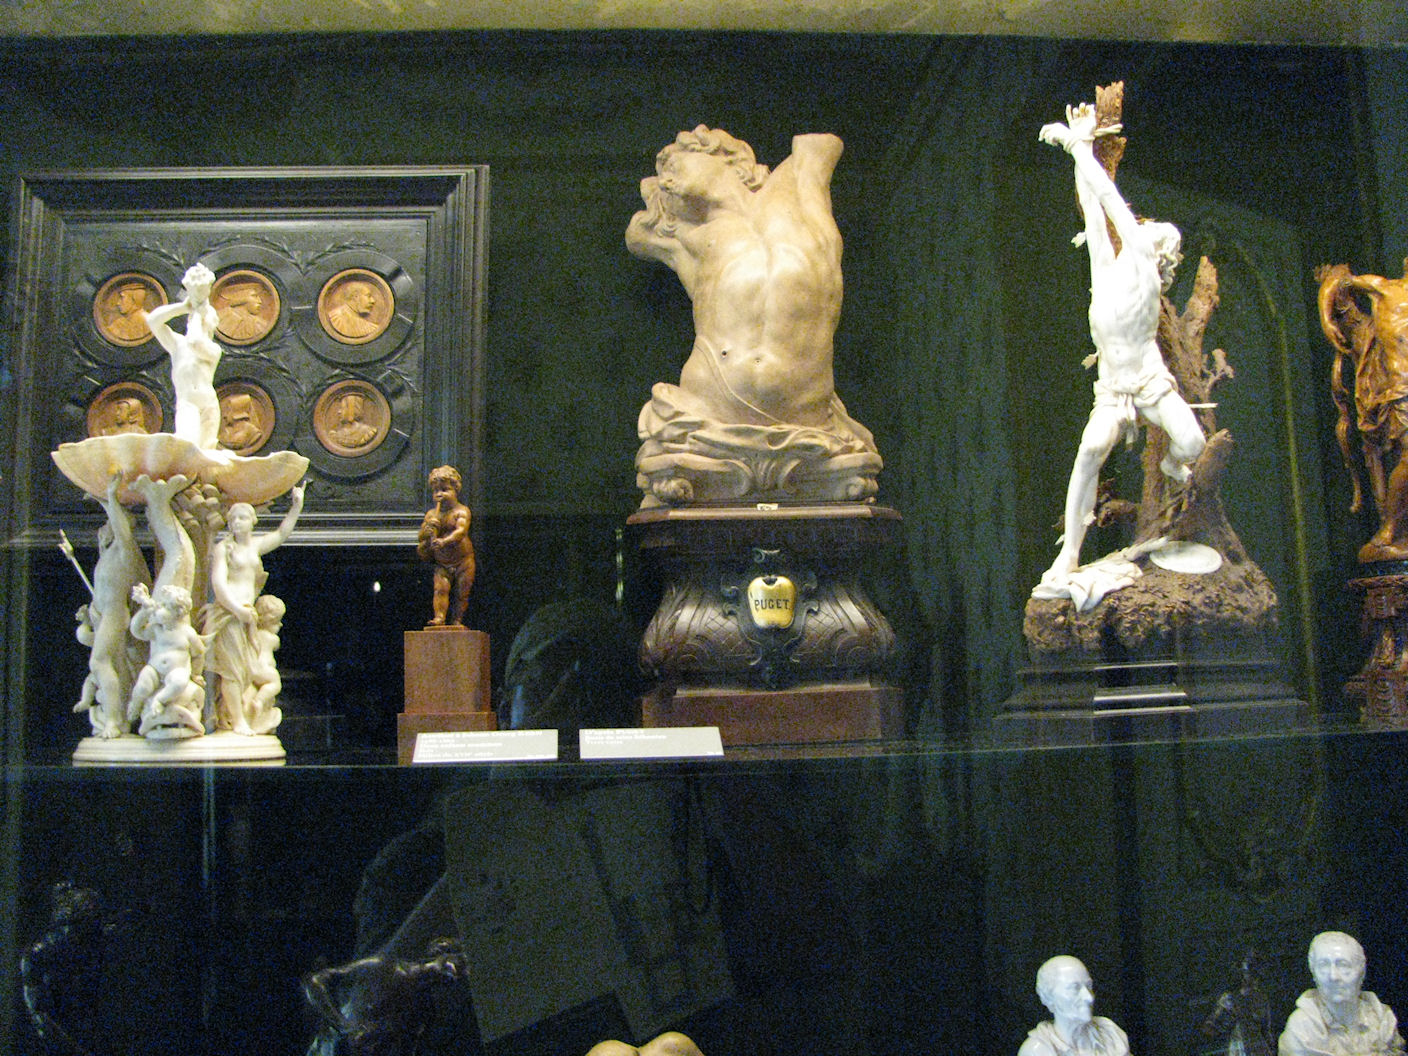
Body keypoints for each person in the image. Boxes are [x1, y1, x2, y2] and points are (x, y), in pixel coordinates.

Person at [626, 126, 881, 506]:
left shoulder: (799, 191)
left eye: (674, 165)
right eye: (663, 176)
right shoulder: (688, 239)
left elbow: (821, 145)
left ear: (726, 158)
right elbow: (638, 234)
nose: (665, 180)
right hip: (709, 407)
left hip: (806, 414)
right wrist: (660, 200)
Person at [1034, 102, 1206, 603]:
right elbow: (1094, 211)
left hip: (1149, 381)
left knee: (1193, 445)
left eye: (1151, 231)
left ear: (1159, 251)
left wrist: (1078, 146)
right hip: (1112, 389)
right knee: (1090, 452)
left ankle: (1172, 465)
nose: (1141, 228)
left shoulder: (1145, 267)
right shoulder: (1106, 270)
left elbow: (1110, 200)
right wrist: (1081, 149)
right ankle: (1068, 556)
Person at [1318, 261, 1408, 561]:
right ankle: (1390, 528)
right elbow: (1338, 279)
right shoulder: (1385, 289)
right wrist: (1326, 319)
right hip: (1401, 391)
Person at [202, 484, 305, 735]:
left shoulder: (254, 547)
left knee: (246, 669)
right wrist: (236, 609)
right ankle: (237, 721)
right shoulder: (224, 549)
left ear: (252, 521)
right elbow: (218, 583)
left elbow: (281, 534)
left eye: (242, 518)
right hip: (228, 614)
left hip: (247, 616)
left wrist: (297, 506)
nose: (237, 522)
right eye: (233, 519)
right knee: (232, 670)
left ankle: (237, 716)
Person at [73, 474, 151, 739]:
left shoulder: (126, 552)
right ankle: (118, 719)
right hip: (102, 615)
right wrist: (103, 500)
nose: (104, 529)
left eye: (109, 524)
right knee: (115, 666)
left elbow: (121, 528)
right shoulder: (109, 554)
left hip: (114, 615)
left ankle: (113, 721)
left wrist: (109, 497)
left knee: (99, 661)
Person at [1279, 932, 1404, 1056]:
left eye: (1343, 965)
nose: (1333, 976)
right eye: (1323, 965)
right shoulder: (1301, 1029)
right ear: (1314, 974)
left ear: (1361, 972)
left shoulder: (1382, 1021)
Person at [143, 263, 224, 450]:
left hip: (209, 404)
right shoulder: (177, 344)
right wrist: (183, 307)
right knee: (186, 447)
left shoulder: (213, 350)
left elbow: (196, 342)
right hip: (188, 403)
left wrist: (198, 315)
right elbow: (153, 320)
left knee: (208, 451)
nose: (205, 325)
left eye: (207, 322)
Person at [128, 582, 206, 738]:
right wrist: (145, 611)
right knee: (142, 687)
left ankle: (160, 699)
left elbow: (199, 653)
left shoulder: (187, 633)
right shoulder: (156, 629)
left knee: (179, 682)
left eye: (164, 606)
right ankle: (135, 705)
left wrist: (196, 674)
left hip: (177, 670)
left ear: (178, 612)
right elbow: (136, 630)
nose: (158, 607)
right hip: (154, 670)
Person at [1019, 955, 1129, 1056]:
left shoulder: (1111, 1036)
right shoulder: (1037, 1051)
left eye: (1089, 986)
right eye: (1075, 988)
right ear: (1049, 997)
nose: (1089, 998)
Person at [417, 466, 475, 627]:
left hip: (463, 561)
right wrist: (427, 530)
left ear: (456, 489)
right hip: (442, 562)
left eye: (444, 489)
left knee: (462, 593)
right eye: (436, 490)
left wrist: (444, 541)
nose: (439, 494)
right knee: (440, 590)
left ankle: (457, 620)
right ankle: (439, 617)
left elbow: (460, 532)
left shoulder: (461, 511)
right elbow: (421, 536)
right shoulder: (431, 515)